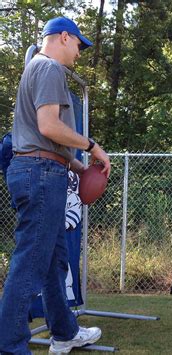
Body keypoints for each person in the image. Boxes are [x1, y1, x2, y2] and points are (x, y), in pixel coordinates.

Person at [0, 17, 111, 354]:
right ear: (64, 37)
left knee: (53, 261)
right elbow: (49, 126)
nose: (79, 54)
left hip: (40, 168)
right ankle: (9, 346)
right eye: (78, 45)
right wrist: (92, 146)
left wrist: (78, 166)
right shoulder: (49, 69)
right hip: (41, 173)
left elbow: (44, 136)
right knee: (31, 262)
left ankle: (64, 332)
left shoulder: (35, 68)